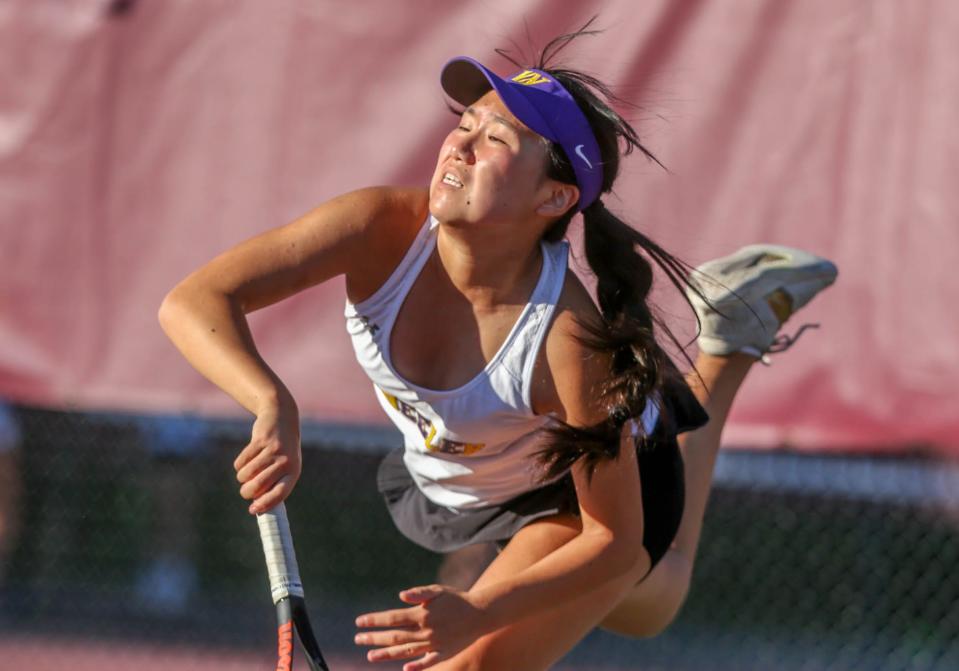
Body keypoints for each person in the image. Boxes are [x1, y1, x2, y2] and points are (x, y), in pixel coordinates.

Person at [158, 22, 837, 671]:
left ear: (553, 196)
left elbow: (609, 538)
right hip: (471, 486)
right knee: (642, 604)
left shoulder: (569, 343)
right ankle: (726, 339)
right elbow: (191, 302)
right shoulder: (374, 227)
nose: (460, 145)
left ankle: (722, 347)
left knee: (625, 598)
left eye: (496, 139)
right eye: (463, 124)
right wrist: (271, 401)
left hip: (572, 501)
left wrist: (479, 610)